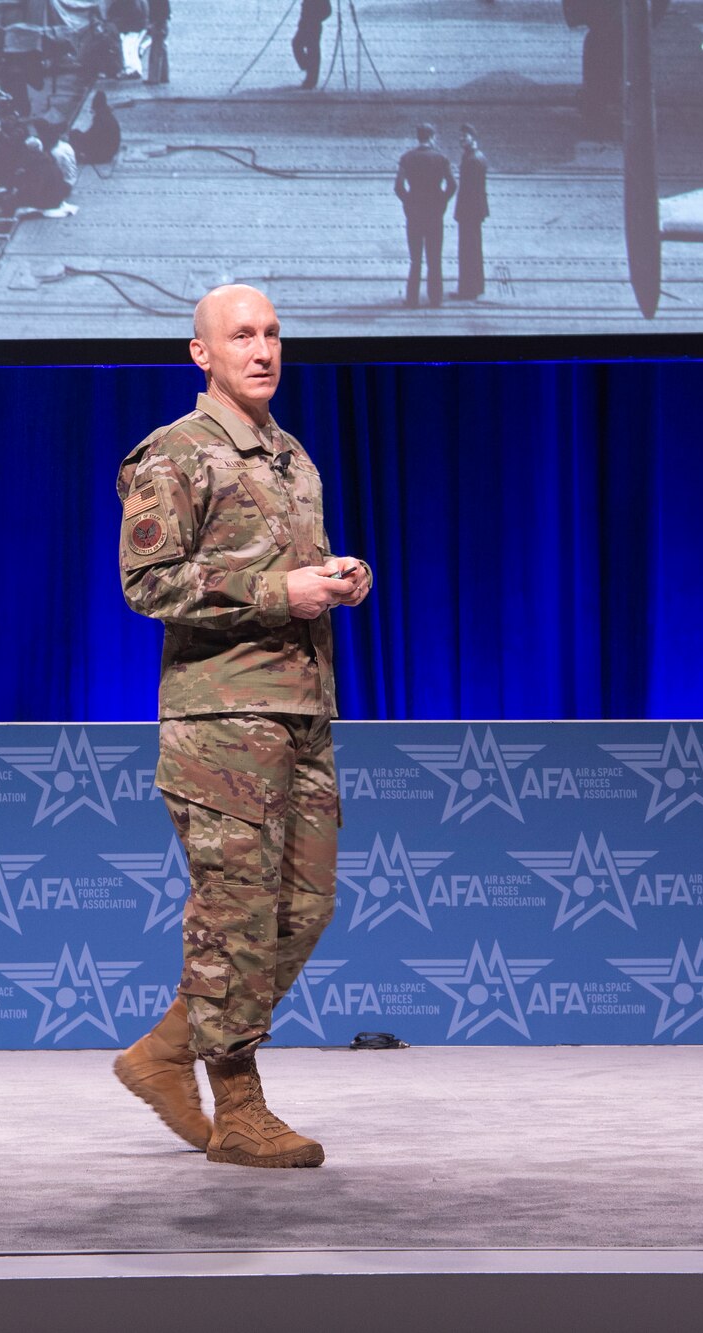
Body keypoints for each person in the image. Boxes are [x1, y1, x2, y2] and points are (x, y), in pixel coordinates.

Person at [112, 285, 372, 1170]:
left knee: (304, 905)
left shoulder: (292, 456)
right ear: (202, 354)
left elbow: (284, 572)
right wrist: (277, 592)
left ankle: (162, 1051)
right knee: (235, 914)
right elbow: (146, 585)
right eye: (241, 336)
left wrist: (336, 576)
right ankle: (242, 1110)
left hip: (301, 710)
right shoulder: (175, 455)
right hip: (221, 720)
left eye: (272, 334)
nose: (263, 350)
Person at [394, 124, 455, 307]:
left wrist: (408, 202)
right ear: (432, 137)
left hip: (414, 215)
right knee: (434, 258)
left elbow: (398, 187)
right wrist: (442, 202)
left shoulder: (407, 158)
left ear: (418, 137)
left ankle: (412, 299)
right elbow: (452, 185)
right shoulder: (441, 159)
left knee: (416, 259)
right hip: (434, 214)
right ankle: (435, 298)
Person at [452, 123, 489, 299]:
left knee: (467, 250)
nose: (461, 140)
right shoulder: (475, 156)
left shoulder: (472, 160)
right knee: (474, 249)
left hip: (469, 212)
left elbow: (470, 190)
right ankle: (476, 286)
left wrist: (461, 212)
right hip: (475, 211)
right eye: (460, 137)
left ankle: (467, 290)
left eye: (464, 137)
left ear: (472, 138)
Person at [70, 89, 122, 166]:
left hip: (104, 154)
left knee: (74, 135)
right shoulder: (107, 115)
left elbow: (92, 136)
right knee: (76, 134)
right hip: (110, 151)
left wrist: (77, 135)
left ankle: (77, 156)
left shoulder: (101, 118)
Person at [293, 0, 331, 90]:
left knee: (312, 51)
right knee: (296, 44)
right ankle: (308, 67)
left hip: (314, 26)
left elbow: (327, 11)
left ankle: (311, 80)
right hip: (304, 25)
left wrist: (315, 19)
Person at [109, 0, 149, 78]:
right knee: (132, 49)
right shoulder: (139, 2)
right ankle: (136, 69)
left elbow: (129, 17)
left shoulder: (131, 3)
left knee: (127, 48)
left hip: (134, 28)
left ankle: (130, 70)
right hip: (140, 27)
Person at [145, 0, 170, 84]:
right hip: (162, 23)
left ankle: (154, 78)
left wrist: (152, 23)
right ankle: (164, 76)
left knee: (155, 52)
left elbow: (154, 11)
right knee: (162, 50)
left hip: (158, 24)